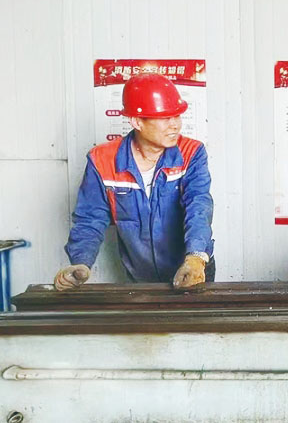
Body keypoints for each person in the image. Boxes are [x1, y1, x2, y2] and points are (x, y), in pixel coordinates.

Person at [54, 73, 214, 291]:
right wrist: (81, 262)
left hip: (192, 267)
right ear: (137, 121)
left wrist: (196, 256)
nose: (175, 125)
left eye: (177, 116)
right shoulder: (102, 161)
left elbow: (198, 206)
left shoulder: (191, 153)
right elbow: (90, 218)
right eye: (165, 118)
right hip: (141, 276)